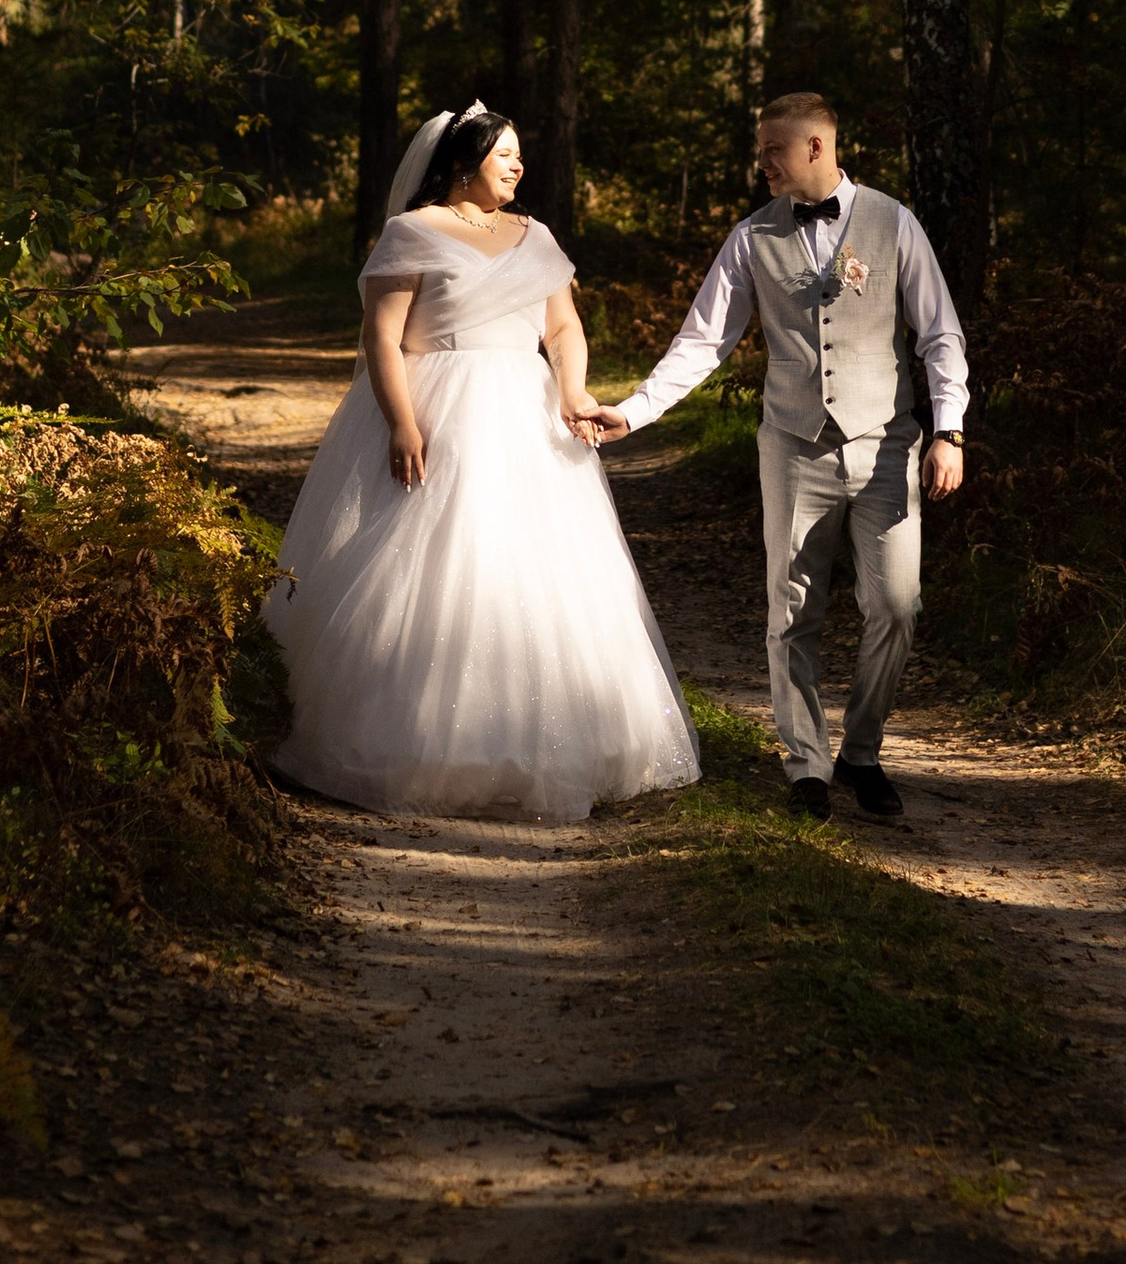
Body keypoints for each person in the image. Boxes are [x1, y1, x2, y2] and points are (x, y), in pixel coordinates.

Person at [263, 103, 699, 822]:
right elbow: (382, 337)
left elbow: (563, 327)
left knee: (539, 573)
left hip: (527, 420)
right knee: (433, 566)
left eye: (521, 155)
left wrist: (571, 389)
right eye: (505, 154)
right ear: (464, 161)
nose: (518, 166)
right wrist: (403, 422)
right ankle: (420, 743)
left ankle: (551, 742)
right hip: (441, 407)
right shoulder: (413, 232)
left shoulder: (536, 237)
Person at [577, 89, 966, 820]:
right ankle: (806, 766)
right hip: (792, 448)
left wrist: (949, 431)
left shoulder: (895, 223)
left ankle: (862, 752)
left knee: (898, 604)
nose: (762, 165)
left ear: (817, 147)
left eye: (773, 151)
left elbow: (939, 335)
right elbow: (702, 340)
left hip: (887, 446)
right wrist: (633, 412)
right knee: (791, 611)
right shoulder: (752, 237)